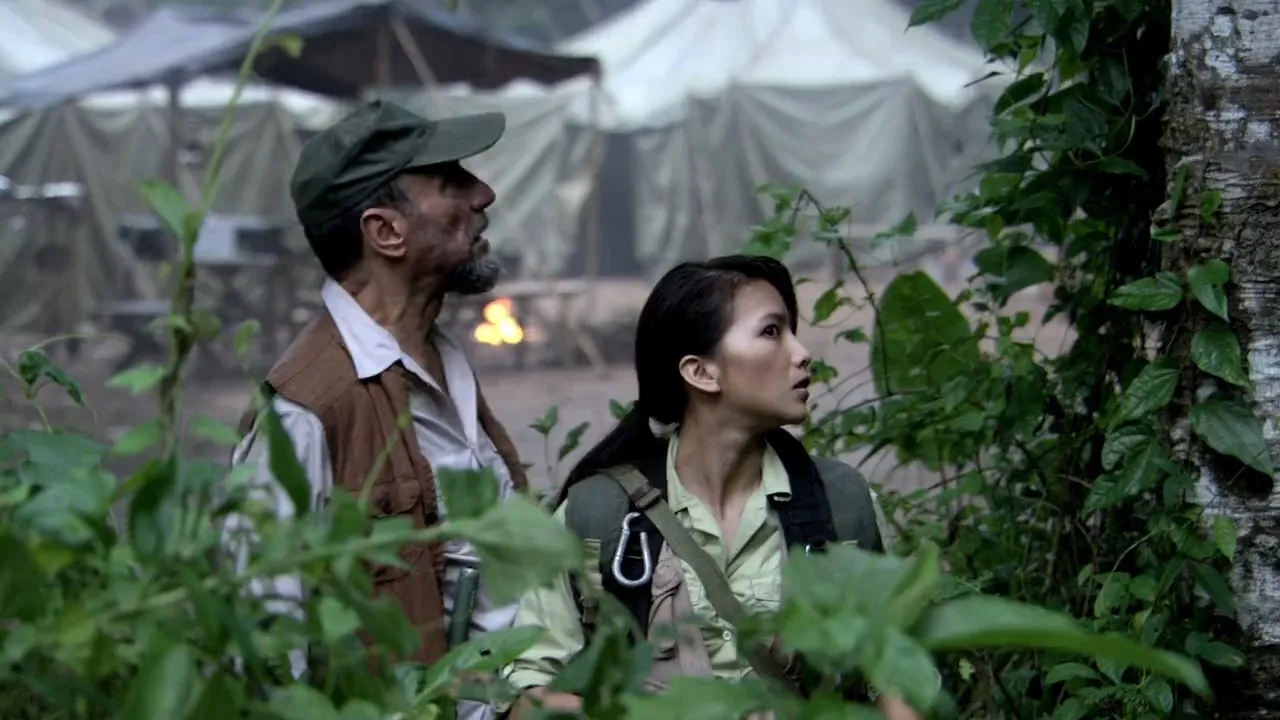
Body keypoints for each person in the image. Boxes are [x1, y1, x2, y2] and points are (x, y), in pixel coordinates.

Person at [501, 255, 923, 720]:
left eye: (791, 331)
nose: (802, 353)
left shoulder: (840, 503)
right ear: (701, 372)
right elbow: (526, 699)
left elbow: (897, 683)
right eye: (771, 331)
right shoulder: (601, 515)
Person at [229, 100, 527, 720]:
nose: (484, 195)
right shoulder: (306, 413)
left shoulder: (444, 362)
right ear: (386, 231)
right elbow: (266, 658)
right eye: (451, 182)